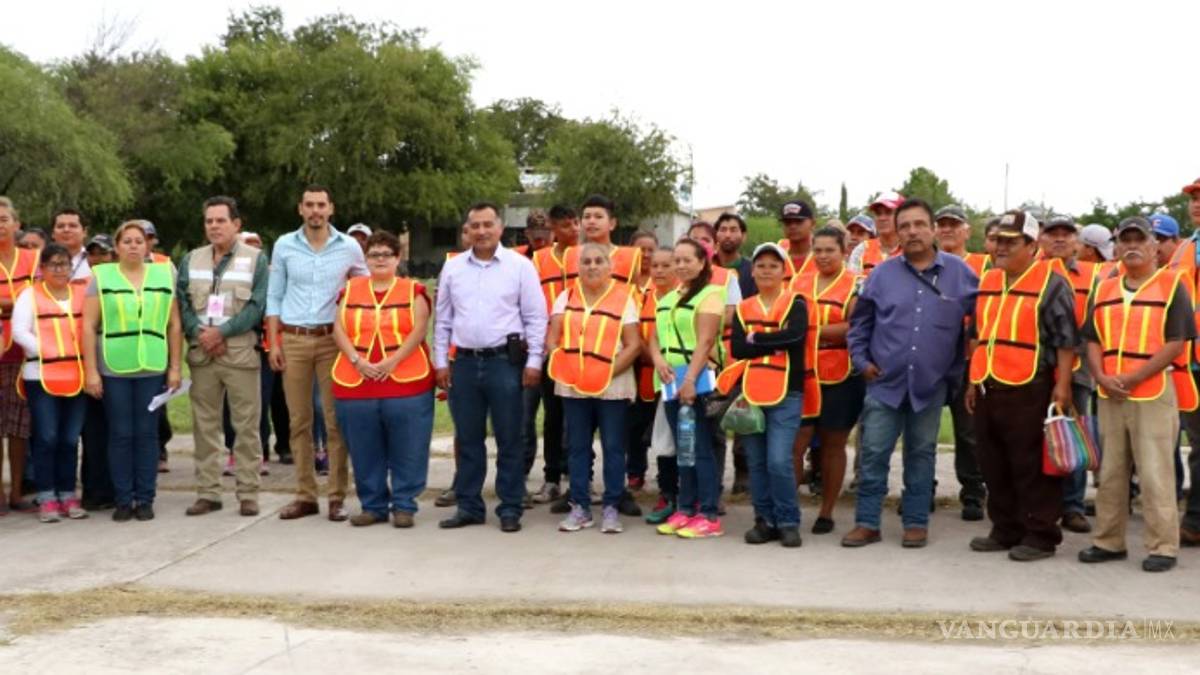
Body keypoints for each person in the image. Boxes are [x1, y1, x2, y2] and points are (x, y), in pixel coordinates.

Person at [843, 198, 978, 548]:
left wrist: (959, 372)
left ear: (933, 229)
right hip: (884, 382)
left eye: (919, 224)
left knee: (922, 454)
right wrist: (861, 362)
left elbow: (978, 327)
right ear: (896, 232)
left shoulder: (961, 274)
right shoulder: (882, 275)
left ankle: (916, 522)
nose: (912, 231)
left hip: (930, 386)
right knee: (873, 454)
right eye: (905, 226)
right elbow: (860, 326)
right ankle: (867, 522)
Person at [1080, 216, 1195, 573]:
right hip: (1109, 392)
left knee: (1155, 471)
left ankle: (1163, 546)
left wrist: (1133, 377)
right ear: (1115, 247)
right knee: (1111, 471)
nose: (1131, 245)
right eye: (1124, 239)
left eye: (1139, 240)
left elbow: (1176, 343)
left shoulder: (1172, 284)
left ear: (1154, 247)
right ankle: (1108, 540)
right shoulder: (1104, 289)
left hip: (1153, 392)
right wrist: (1100, 375)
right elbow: (1092, 338)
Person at [964, 210, 1077, 561]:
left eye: (1010, 241)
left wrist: (1063, 386)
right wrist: (972, 380)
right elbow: (977, 335)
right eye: (997, 239)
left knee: (1030, 465)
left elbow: (1065, 340)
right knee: (993, 462)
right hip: (987, 386)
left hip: (1031, 387)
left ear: (1032, 245)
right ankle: (1005, 528)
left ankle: (1041, 534)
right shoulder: (988, 280)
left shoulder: (1051, 283)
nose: (1000, 246)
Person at [434, 201, 547, 533]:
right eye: (475, 226)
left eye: (488, 224)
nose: (481, 231)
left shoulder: (520, 266)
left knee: (510, 437)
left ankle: (510, 507)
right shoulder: (453, 268)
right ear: (467, 230)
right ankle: (469, 506)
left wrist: (535, 362)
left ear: (500, 228)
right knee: (468, 439)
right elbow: (443, 321)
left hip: (505, 363)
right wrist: (441, 362)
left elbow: (536, 318)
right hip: (465, 364)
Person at [266, 185, 368, 522]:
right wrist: (274, 342)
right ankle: (305, 495)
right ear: (300, 209)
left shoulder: (349, 247)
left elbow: (365, 289)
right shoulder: (284, 245)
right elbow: (275, 296)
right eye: (309, 205)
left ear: (331, 208)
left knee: (335, 421)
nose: (315, 211)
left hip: (331, 340)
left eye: (321, 205)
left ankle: (336, 497)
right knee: (299, 422)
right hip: (294, 338)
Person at [331, 230, 435, 528]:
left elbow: (420, 328)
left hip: (406, 380)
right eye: (374, 254)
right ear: (365, 259)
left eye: (386, 254)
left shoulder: (412, 290)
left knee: (410, 446)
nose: (380, 260)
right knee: (364, 447)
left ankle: (404, 505)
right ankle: (373, 505)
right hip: (356, 379)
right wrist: (356, 359)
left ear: (398, 258)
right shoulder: (350, 289)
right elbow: (338, 327)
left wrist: (392, 361)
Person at [82, 220, 183, 522]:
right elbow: (88, 325)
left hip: (152, 365)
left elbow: (174, 323)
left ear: (148, 244)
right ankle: (123, 498)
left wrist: (175, 367)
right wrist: (91, 371)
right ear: (117, 246)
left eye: (139, 240)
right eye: (127, 241)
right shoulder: (101, 276)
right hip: (114, 366)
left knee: (147, 434)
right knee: (121, 434)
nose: (133, 246)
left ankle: (146, 497)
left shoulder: (164, 273)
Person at [178, 196, 269, 518]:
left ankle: (248, 492)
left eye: (220, 220)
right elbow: (183, 305)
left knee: (246, 426)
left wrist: (223, 332)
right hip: (202, 354)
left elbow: (257, 305)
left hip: (239, 352)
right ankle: (208, 492)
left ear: (236, 224)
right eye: (209, 221)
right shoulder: (191, 259)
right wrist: (201, 334)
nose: (214, 226)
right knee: (205, 426)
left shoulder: (255, 260)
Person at [547, 242, 641, 533]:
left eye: (599, 260)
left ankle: (611, 507)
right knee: (576, 447)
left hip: (613, 382)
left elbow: (633, 344)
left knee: (613, 446)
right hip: (573, 382)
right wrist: (562, 364)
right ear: (578, 267)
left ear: (610, 267)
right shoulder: (566, 296)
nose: (592, 266)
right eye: (586, 261)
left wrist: (604, 372)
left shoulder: (624, 298)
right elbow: (552, 338)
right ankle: (580, 507)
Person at [720, 242, 808, 547]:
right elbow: (739, 348)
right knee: (755, 460)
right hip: (752, 392)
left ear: (784, 271)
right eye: (761, 265)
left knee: (778, 461)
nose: (767, 270)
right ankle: (764, 519)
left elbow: (796, 337)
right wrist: (774, 340)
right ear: (753, 271)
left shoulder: (795, 301)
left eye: (773, 265)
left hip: (788, 393)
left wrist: (758, 337)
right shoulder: (744, 307)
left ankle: (787, 520)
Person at [647, 238, 727, 539]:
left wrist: (690, 381)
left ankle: (708, 513)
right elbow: (653, 336)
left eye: (686, 260)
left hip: (697, 381)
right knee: (684, 449)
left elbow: (705, 341)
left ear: (702, 262)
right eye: (676, 260)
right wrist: (657, 360)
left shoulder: (710, 295)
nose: (680, 266)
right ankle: (686, 507)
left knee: (701, 447)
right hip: (669, 381)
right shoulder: (668, 296)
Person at [788, 227, 862, 534]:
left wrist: (808, 331)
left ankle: (827, 511)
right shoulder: (798, 281)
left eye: (829, 250)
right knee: (795, 442)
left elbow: (854, 325)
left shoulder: (856, 283)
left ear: (844, 251)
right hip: (802, 372)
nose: (822, 256)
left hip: (840, 373)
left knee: (834, 444)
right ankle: (787, 508)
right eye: (817, 250)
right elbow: (786, 318)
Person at [11, 244, 89, 522]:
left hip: (76, 376)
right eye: (53, 264)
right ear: (42, 269)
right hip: (41, 376)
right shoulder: (29, 295)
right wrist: (48, 349)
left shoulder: (81, 294)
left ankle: (68, 493)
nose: (59, 270)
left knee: (70, 439)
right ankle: (46, 495)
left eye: (64, 264)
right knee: (46, 437)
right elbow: (19, 331)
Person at [1036, 214, 1101, 534]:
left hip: (1077, 370)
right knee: (1035, 438)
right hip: (1033, 369)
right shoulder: (1029, 272)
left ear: (1078, 241)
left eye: (1066, 234)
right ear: (1040, 239)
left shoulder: (1095, 276)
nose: (1059, 239)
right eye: (1052, 233)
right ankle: (1039, 503)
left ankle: (1073, 506)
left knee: (1072, 435)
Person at [933, 204, 988, 521]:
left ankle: (973, 493)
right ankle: (922, 489)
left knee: (968, 432)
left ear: (967, 230)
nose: (948, 229)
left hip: (969, 358)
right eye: (942, 224)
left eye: (955, 224)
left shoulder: (982, 264)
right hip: (934, 357)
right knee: (923, 428)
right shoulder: (928, 264)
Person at [526, 204, 580, 504]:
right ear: (553, 229)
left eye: (575, 223)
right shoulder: (539, 259)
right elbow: (533, 304)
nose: (574, 229)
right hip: (550, 347)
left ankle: (578, 477)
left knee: (579, 418)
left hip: (583, 347)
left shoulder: (587, 254)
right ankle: (551, 478)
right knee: (553, 416)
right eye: (566, 225)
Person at [1168, 177, 1200, 546]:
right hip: (1188, 362)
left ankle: (1195, 520)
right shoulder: (1185, 248)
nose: (1195, 203)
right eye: (1193, 198)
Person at [0, 199, 37, 513]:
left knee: (19, 427)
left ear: (16, 224)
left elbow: (41, 296)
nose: (0, 225)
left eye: (4, 219)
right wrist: (13, 304)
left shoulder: (33, 258)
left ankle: (17, 492)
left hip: (24, 354)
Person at [640, 247, 680, 524]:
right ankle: (667, 493)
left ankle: (693, 498)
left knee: (689, 441)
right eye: (655, 265)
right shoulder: (644, 298)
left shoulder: (690, 298)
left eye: (667, 265)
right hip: (658, 380)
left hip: (690, 378)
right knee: (663, 442)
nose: (660, 271)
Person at [78, 234, 116, 511]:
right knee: (92, 432)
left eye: (104, 253)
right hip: (87, 363)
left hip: (116, 360)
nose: (98, 259)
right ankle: (93, 490)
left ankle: (115, 489)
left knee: (115, 430)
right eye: (93, 254)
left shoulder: (118, 281)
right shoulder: (77, 283)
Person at [625, 230, 660, 491]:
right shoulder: (623, 284)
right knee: (633, 423)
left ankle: (666, 476)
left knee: (657, 422)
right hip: (629, 364)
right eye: (641, 249)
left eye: (651, 250)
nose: (646, 255)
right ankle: (635, 471)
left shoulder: (664, 285)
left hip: (655, 363)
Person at [848, 192, 905, 276]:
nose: (882, 218)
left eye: (888, 212)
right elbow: (853, 283)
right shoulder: (863, 249)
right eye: (878, 213)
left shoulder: (912, 249)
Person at [778, 201, 817, 285]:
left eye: (799, 221)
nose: (793, 226)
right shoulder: (775, 255)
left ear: (813, 224)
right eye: (787, 222)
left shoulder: (825, 256)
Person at [51, 208, 91, 284]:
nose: (66, 230)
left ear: (84, 232)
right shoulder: (42, 261)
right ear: (53, 234)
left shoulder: (93, 260)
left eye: (73, 226)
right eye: (60, 226)